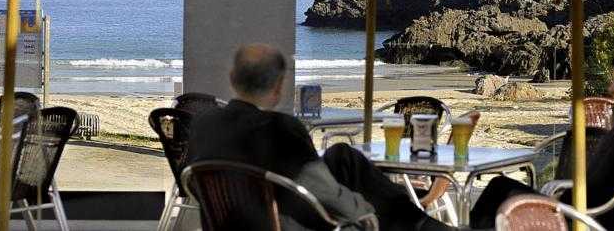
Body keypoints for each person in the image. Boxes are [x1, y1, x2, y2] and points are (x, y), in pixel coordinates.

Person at [185, 43, 453, 231]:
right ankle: (419, 220)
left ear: (232, 79)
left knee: (342, 155)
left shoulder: (202, 123)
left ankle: (415, 216)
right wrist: (364, 210)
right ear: (278, 87)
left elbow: (193, 183)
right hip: (290, 223)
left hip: (236, 221)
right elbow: (324, 192)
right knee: (374, 212)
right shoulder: (281, 127)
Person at [469, 45, 614, 230]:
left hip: (581, 221)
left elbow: (596, 194)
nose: (611, 89)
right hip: (587, 216)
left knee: (500, 188)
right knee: (500, 187)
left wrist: (554, 200)